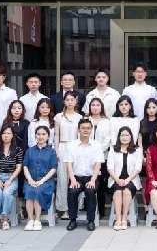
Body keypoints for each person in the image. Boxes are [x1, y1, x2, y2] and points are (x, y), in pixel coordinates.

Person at [64, 119, 105, 231]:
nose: (85, 130)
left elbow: (98, 165)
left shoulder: (96, 145)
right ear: (78, 130)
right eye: (83, 128)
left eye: (88, 128)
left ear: (91, 130)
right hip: (76, 177)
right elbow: (69, 164)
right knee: (72, 191)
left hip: (91, 177)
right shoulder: (71, 145)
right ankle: (72, 220)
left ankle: (91, 221)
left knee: (90, 191)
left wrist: (92, 180)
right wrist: (73, 180)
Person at [107, 126, 143, 230]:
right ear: (119, 137)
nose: (124, 137)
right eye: (122, 135)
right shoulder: (113, 149)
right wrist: (117, 180)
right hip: (115, 179)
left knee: (126, 191)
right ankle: (118, 219)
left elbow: (138, 168)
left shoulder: (137, 150)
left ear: (131, 137)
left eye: (127, 135)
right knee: (118, 192)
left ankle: (124, 218)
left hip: (131, 179)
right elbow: (110, 167)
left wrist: (127, 180)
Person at [54, 90, 83, 219]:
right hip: (62, 147)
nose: (70, 102)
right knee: (62, 179)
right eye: (68, 100)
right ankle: (63, 209)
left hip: (75, 147)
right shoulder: (58, 117)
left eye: (72, 100)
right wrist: (56, 150)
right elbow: (56, 135)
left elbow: (81, 135)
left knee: (76, 177)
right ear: (64, 101)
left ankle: (75, 207)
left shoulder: (80, 117)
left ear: (76, 101)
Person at [23, 125, 58, 231]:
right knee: (29, 190)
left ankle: (37, 220)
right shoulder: (30, 150)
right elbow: (25, 166)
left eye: (43, 134)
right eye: (38, 134)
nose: (41, 136)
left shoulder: (51, 151)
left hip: (46, 182)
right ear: (35, 136)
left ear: (48, 136)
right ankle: (30, 220)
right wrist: (30, 179)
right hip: (31, 180)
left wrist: (42, 181)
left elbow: (53, 168)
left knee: (38, 191)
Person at [0, 123, 23, 230]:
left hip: (11, 177)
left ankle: (4, 218)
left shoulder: (18, 150)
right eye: (4, 133)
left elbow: (18, 168)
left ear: (12, 135)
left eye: (9, 133)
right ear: (1, 135)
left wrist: (10, 180)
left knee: (7, 193)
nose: (6, 135)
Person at [87, 98, 112, 220]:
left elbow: (108, 139)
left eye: (98, 105)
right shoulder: (86, 120)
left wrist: (98, 151)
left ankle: (101, 211)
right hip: (87, 157)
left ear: (101, 107)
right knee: (88, 183)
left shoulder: (107, 121)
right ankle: (89, 210)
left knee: (101, 184)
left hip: (103, 157)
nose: (95, 107)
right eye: (93, 105)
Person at [2, 99, 29, 213]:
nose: (16, 110)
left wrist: (20, 155)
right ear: (10, 110)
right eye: (14, 108)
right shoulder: (6, 122)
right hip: (8, 155)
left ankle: (23, 206)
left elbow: (26, 141)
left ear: (22, 110)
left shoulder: (26, 123)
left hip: (21, 155)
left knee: (22, 180)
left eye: (19, 108)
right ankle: (9, 208)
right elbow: (3, 139)